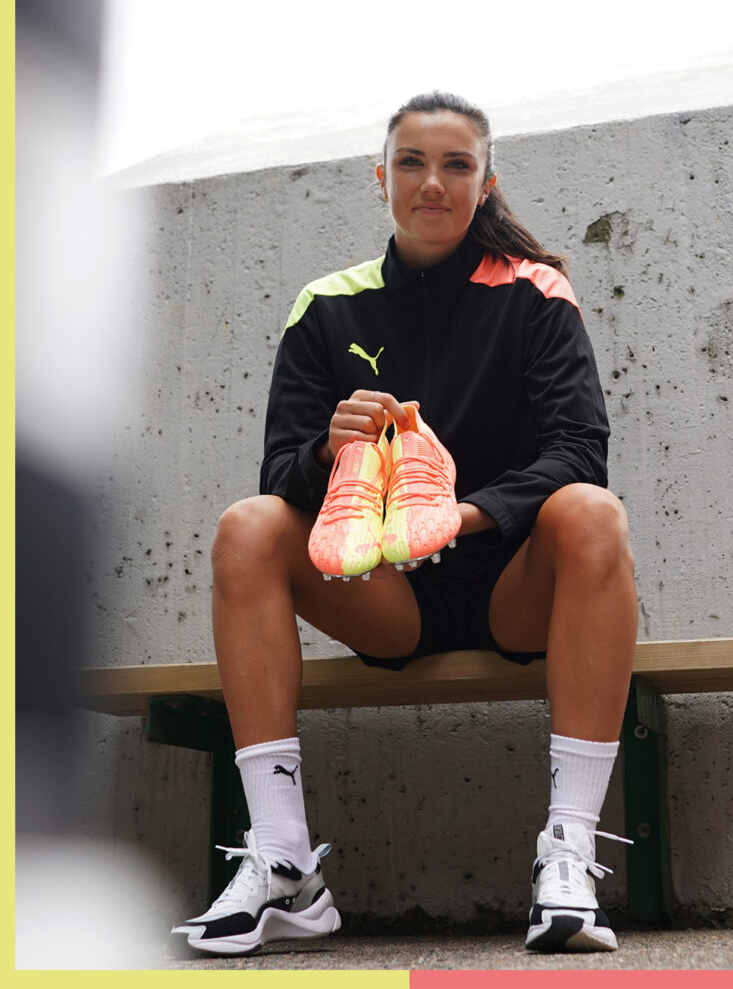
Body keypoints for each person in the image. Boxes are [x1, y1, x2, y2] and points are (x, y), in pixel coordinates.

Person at [169, 91, 638, 958]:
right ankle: (283, 862)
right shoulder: (325, 306)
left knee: (593, 514)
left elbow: (580, 449)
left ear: (484, 182)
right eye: (411, 163)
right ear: (380, 178)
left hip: (512, 590)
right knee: (246, 526)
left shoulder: (534, 292)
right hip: (387, 598)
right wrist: (326, 450)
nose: (432, 182)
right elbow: (278, 477)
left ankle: (568, 854)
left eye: (456, 165)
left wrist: (459, 516)